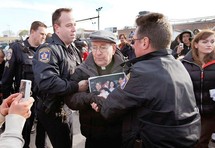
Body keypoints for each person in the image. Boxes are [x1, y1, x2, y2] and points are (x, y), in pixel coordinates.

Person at [91, 12, 201, 147]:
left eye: (134, 41)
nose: (132, 45)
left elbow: (109, 109)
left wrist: (101, 99)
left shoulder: (142, 71)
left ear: (144, 42)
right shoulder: (179, 64)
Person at [32, 8, 88, 148]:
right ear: (57, 28)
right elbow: (48, 82)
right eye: (69, 25)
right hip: (53, 110)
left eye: (74, 24)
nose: (74, 29)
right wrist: (76, 86)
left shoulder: (73, 49)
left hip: (67, 108)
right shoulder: (48, 50)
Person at [64, 30, 128, 148]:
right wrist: (90, 98)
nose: (97, 53)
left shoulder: (126, 69)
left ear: (113, 49)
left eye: (103, 48)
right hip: (94, 135)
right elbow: (70, 100)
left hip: (120, 134)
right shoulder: (81, 70)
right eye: (94, 47)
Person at [1, 21, 47, 148]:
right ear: (32, 32)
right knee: (23, 135)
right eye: (41, 34)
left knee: (42, 138)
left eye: (45, 34)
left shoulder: (45, 50)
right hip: (24, 101)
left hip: (43, 100)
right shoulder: (17, 48)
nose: (44, 37)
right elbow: (7, 78)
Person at [181, 29, 215, 148]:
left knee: (201, 141)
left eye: (212, 41)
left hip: (211, 112)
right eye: (205, 42)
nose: (209, 44)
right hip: (192, 112)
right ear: (195, 44)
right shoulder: (184, 63)